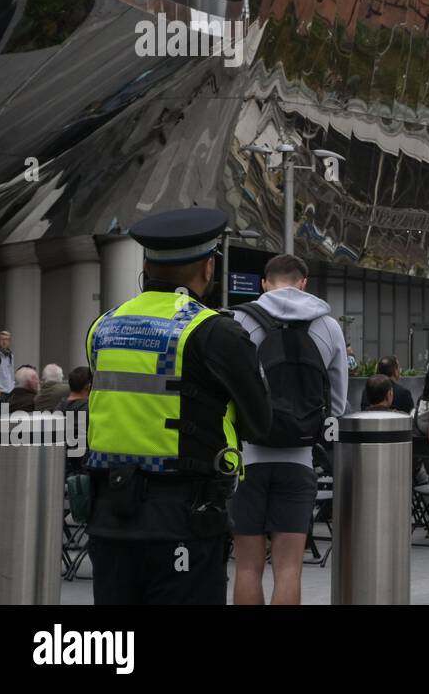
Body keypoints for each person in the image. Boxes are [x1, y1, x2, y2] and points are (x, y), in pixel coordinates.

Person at [84, 207, 271, 605]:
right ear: (207, 268)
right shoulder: (214, 332)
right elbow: (260, 422)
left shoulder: (103, 327)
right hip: (184, 520)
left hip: (109, 518)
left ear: (147, 267)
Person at [229, 253, 349, 606]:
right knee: (289, 570)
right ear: (303, 283)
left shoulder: (239, 321)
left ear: (264, 284)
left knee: (248, 568)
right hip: (299, 460)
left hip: (246, 460)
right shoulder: (328, 327)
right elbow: (338, 403)